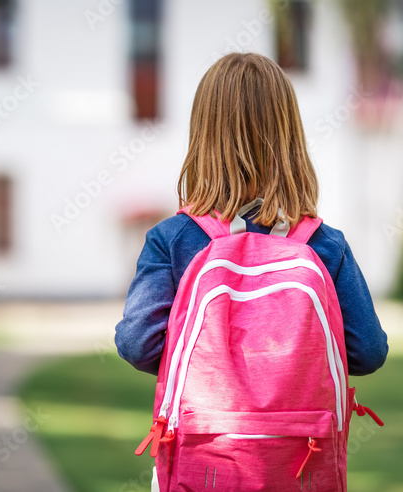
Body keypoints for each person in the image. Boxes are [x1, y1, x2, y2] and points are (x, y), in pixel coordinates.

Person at [115, 52, 388, 379]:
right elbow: (369, 352)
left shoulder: (171, 240)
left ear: (204, 139)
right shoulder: (325, 245)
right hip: (301, 430)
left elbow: (136, 342)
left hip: (207, 428)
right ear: (290, 140)